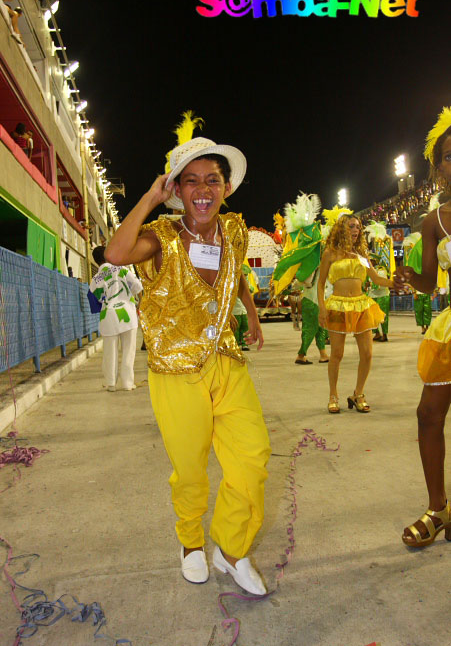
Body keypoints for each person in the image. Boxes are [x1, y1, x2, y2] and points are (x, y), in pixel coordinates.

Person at [104, 128, 271, 595]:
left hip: (225, 362)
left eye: (212, 180)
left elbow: (236, 276)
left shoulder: (235, 229)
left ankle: (232, 550)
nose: (203, 190)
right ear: (176, 190)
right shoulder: (161, 237)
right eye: (191, 181)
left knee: (251, 459)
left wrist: (252, 317)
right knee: (192, 468)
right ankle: (191, 544)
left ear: (227, 186)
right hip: (175, 371)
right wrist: (149, 199)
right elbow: (115, 254)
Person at [394, 106, 451, 547]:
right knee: (428, 414)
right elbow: (432, 281)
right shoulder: (433, 221)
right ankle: (438, 508)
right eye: (449, 155)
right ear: (438, 166)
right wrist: (413, 279)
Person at [317, 214, 394, 413]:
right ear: (341, 229)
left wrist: (397, 281)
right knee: (337, 354)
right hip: (337, 305)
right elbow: (320, 283)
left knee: (367, 354)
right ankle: (333, 395)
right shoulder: (330, 253)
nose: (356, 230)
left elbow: (376, 279)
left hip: (361, 305)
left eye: (358, 227)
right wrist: (322, 308)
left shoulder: (362, 254)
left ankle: (358, 393)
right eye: (351, 226)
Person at [89, 246, 142, 392]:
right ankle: (127, 383)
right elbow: (137, 286)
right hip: (127, 314)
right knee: (128, 350)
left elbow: (96, 299)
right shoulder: (122, 269)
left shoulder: (95, 279)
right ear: (108, 256)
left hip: (108, 316)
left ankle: (110, 383)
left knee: (109, 351)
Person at [295, 270, 329, 364]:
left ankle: (323, 354)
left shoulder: (311, 267)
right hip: (313, 301)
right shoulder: (314, 267)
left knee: (321, 328)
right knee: (310, 329)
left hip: (315, 300)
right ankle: (301, 355)